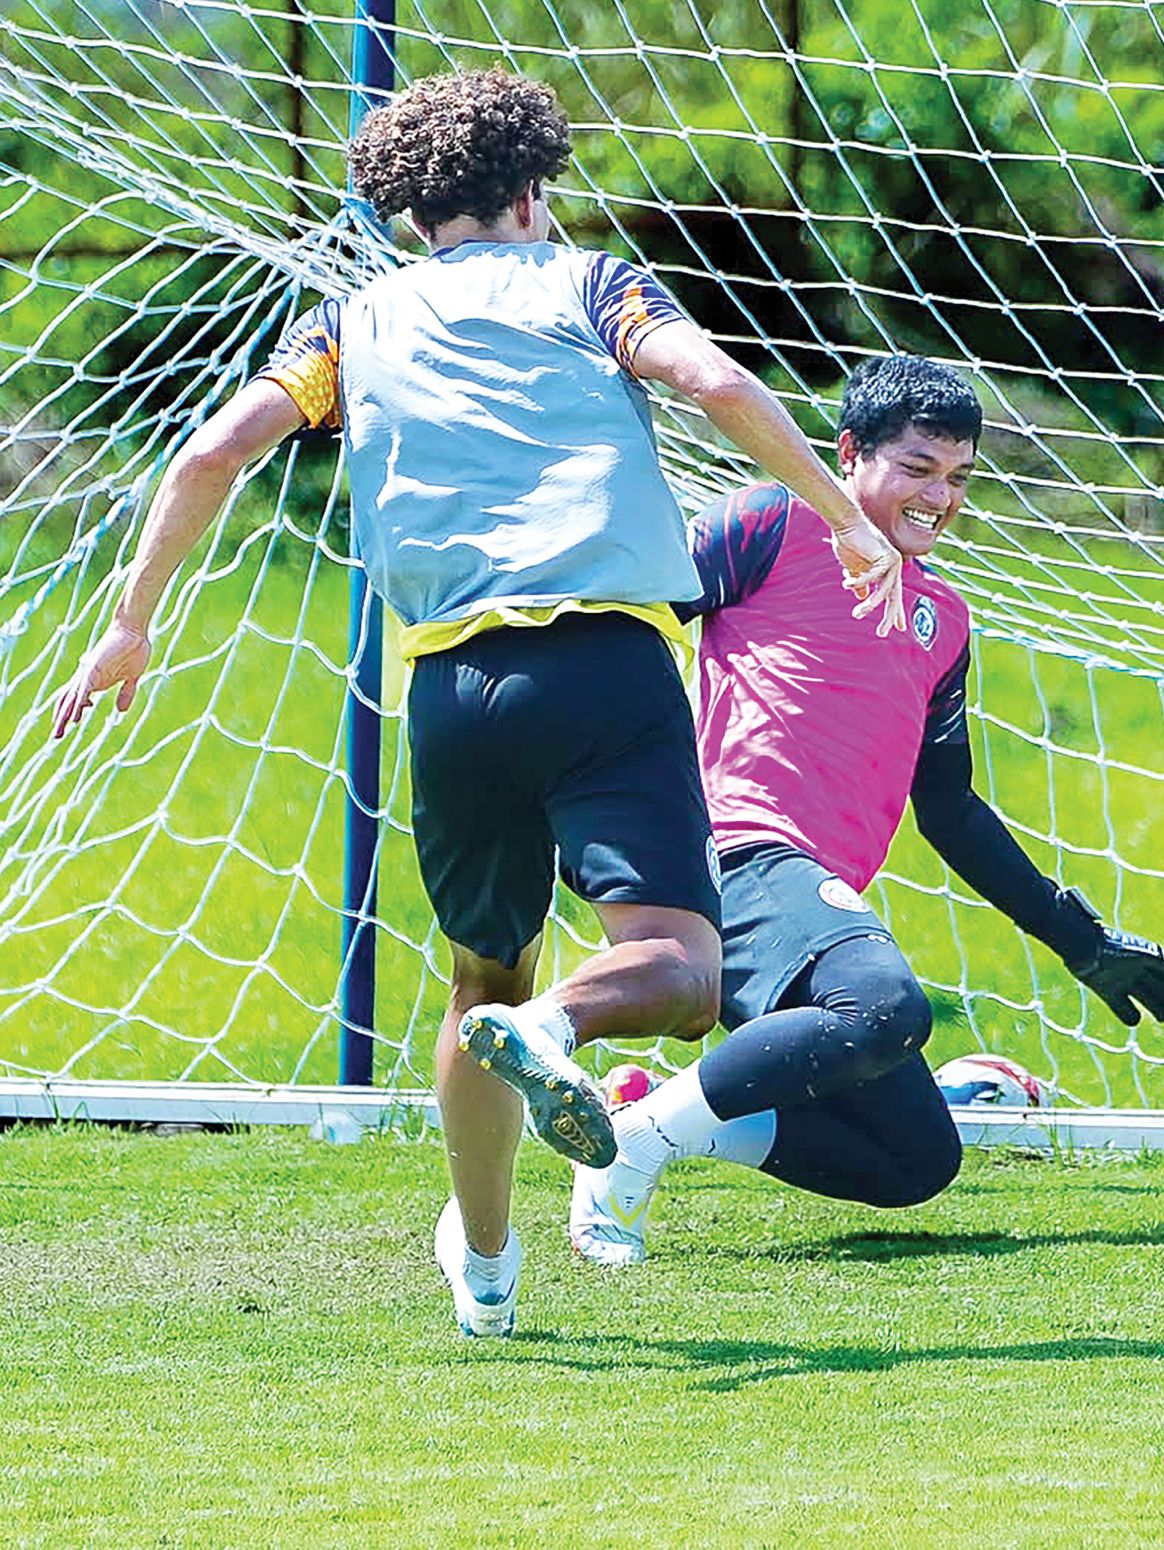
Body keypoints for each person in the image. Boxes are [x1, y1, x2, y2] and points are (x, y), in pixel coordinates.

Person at [51, 70, 904, 1335]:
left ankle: (490, 1268)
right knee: (676, 966)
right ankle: (554, 1027)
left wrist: (131, 619)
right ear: (530, 189)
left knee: (477, 976)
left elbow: (208, 451)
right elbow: (714, 383)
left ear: (410, 215)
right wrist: (843, 523)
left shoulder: (352, 322)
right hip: (605, 665)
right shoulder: (588, 279)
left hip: (449, 685)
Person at [568, 354, 1164, 1264]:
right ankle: (632, 1150)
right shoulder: (772, 523)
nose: (939, 496)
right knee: (886, 1006)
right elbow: (624, 623)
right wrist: (602, 793)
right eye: (917, 468)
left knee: (913, 1159)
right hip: (734, 851)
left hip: (802, 895)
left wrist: (1078, 938)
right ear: (849, 452)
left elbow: (948, 807)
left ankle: (638, 1111)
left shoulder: (945, 617)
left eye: (958, 477)